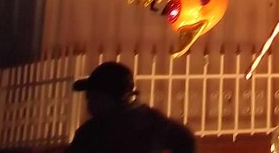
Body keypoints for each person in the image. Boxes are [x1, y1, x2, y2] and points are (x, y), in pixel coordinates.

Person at [67, 61, 195, 153]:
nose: (88, 102)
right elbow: (186, 140)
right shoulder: (151, 120)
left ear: (106, 98)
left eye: (91, 96)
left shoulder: (94, 132)